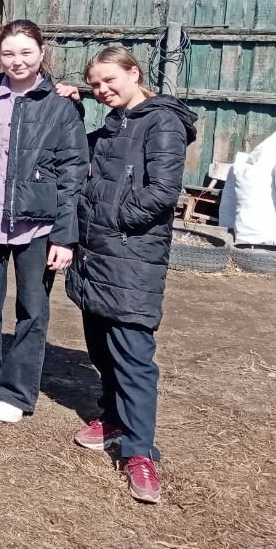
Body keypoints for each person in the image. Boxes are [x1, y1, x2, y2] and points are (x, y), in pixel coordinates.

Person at [67, 46, 195, 505]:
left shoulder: (162, 122)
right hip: (97, 254)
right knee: (101, 346)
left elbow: (162, 192)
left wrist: (114, 220)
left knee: (134, 355)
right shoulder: (111, 126)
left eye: (109, 81)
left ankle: (141, 452)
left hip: (131, 255)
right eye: (95, 85)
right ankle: (113, 418)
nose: (103, 91)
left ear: (133, 73)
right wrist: (73, 102)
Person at [0, 19, 87, 423]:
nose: (17, 61)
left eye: (26, 52)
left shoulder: (61, 106)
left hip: (37, 225)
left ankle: (17, 391)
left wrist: (65, 237)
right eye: (9, 53)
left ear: (42, 53)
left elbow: (73, 172)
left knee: (32, 309)